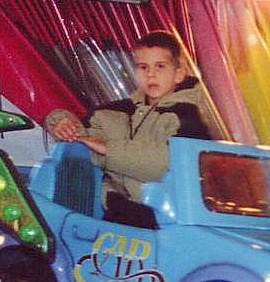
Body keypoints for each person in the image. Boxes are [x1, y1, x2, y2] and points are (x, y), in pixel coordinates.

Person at [43, 30, 212, 227]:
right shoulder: (117, 111)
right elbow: (83, 134)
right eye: (143, 67)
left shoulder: (190, 116)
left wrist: (108, 149)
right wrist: (62, 122)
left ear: (179, 73)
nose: (151, 74)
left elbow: (170, 164)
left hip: (166, 222)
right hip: (118, 214)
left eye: (160, 66)